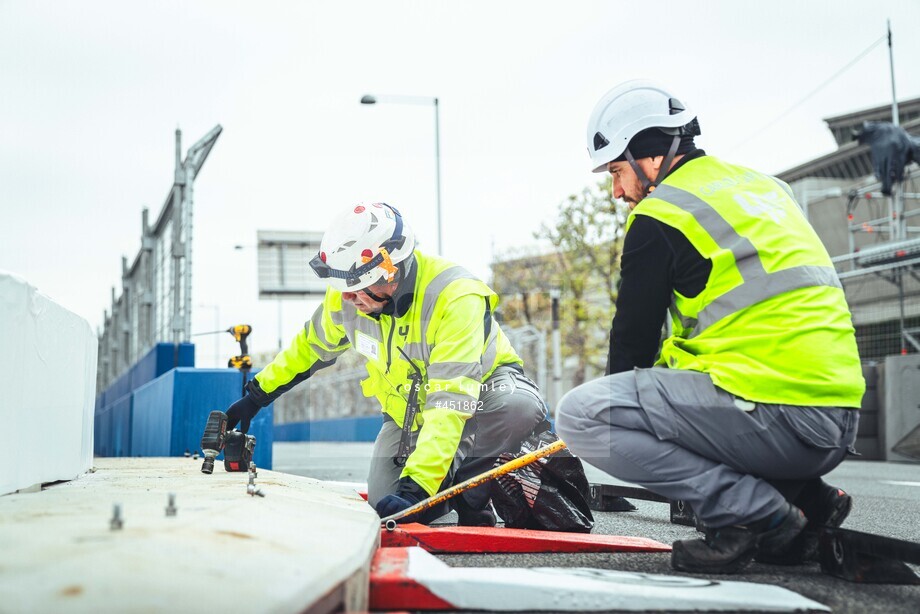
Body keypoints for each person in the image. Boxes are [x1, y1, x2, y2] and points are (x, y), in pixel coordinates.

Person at [556, 80, 865, 574]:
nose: (616, 191)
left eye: (616, 171)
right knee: (682, 395)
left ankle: (750, 514)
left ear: (649, 157)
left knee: (584, 417)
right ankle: (807, 498)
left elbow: (631, 349)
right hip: (840, 414)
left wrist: (636, 436)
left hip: (781, 416)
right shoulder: (766, 188)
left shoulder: (661, 214)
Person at [223, 202, 547, 526]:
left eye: (355, 290)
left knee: (514, 408)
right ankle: (453, 484)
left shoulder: (455, 295)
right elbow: (307, 348)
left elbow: (450, 400)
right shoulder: (347, 300)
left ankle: (477, 490)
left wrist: (418, 487)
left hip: (482, 395)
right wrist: (257, 395)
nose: (347, 300)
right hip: (412, 414)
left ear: (389, 271)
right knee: (385, 500)